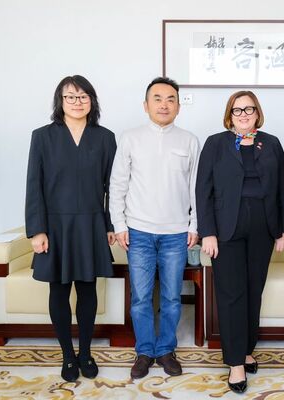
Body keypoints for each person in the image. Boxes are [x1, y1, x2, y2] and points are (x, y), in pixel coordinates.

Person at [196, 90, 284, 393]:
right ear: (230, 115)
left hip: (263, 226)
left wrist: (283, 230)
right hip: (226, 228)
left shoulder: (271, 143)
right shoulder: (215, 143)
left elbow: (283, 188)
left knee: (253, 290)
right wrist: (207, 232)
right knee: (231, 294)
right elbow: (203, 191)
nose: (244, 114)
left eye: (249, 109)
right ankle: (235, 362)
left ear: (257, 113)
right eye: (238, 110)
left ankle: (247, 348)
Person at [25, 75, 117, 382]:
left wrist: (110, 225)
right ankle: (67, 355)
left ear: (92, 100)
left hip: (91, 223)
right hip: (55, 226)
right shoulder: (42, 136)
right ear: (60, 101)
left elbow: (113, 187)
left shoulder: (105, 138)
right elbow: (34, 185)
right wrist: (37, 230)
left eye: (83, 96)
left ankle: (86, 353)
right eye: (71, 96)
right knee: (59, 290)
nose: (78, 102)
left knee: (88, 289)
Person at [109, 77, 200, 379]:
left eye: (171, 99)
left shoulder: (189, 140)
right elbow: (118, 184)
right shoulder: (130, 138)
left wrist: (194, 225)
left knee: (172, 298)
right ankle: (145, 351)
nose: (164, 104)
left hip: (176, 233)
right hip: (138, 231)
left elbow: (196, 188)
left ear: (178, 106)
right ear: (145, 105)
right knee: (141, 298)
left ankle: (166, 350)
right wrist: (119, 224)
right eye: (157, 99)